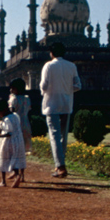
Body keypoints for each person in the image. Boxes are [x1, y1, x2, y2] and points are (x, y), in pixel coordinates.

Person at [40, 42, 81, 178]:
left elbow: (44, 85)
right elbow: (78, 85)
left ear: (51, 53)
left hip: (52, 105)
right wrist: (67, 90)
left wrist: (46, 91)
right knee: (63, 136)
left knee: (54, 136)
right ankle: (60, 164)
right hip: (66, 104)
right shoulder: (72, 66)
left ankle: (61, 166)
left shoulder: (48, 66)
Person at [0, 98, 25, 188]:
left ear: (3, 110)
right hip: (18, 142)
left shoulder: (7, 119)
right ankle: (17, 175)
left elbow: (8, 133)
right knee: (14, 159)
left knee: (3, 159)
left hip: (7, 142)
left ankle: (3, 181)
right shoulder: (15, 116)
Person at [8, 77, 32, 168]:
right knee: (23, 149)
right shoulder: (27, 99)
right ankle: (21, 169)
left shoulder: (13, 99)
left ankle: (15, 168)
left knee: (14, 148)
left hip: (16, 125)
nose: (11, 90)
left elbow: (11, 111)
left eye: (12, 88)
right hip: (26, 124)